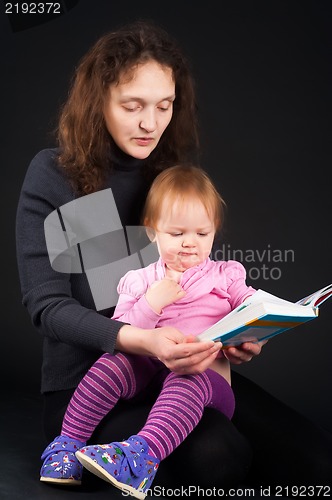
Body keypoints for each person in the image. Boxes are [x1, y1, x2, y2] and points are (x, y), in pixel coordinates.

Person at [16, 19, 332, 493]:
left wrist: (236, 333)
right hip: (92, 384)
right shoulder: (55, 176)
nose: (151, 124)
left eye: (164, 106)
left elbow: (199, 284)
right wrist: (144, 340)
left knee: (316, 462)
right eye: (133, 106)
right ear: (96, 101)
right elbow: (48, 308)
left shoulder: (167, 176)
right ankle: (78, 449)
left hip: (180, 371)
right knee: (217, 457)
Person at [40, 164, 256, 497]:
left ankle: (140, 457)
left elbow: (252, 305)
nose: (190, 243)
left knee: (189, 377)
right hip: (147, 377)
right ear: (153, 231)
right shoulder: (140, 281)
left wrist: (255, 328)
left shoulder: (226, 276)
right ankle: (68, 443)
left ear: (214, 231)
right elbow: (118, 334)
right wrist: (151, 304)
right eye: (177, 233)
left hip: (205, 384)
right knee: (113, 364)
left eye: (202, 233)